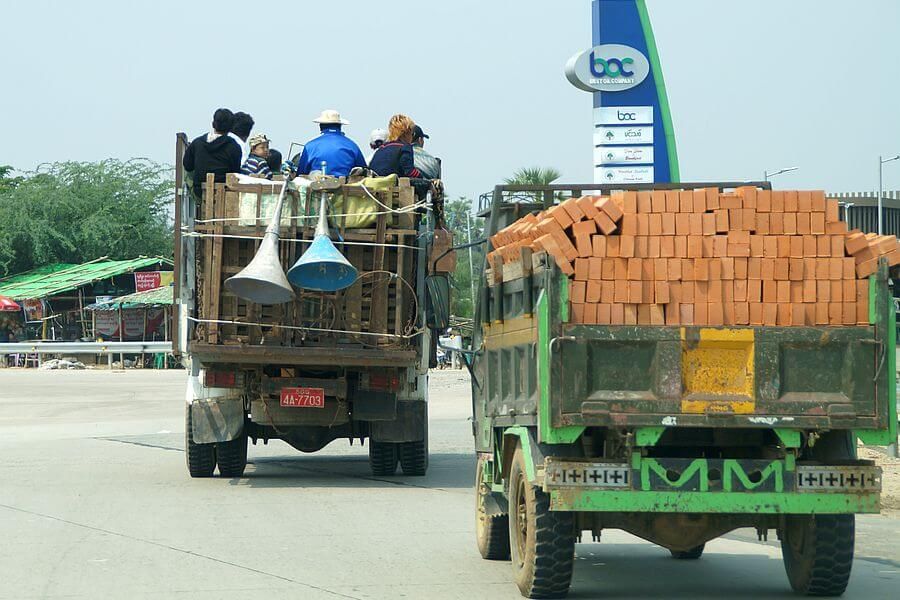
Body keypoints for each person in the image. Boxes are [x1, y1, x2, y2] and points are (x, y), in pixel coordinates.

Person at [182, 108, 242, 197]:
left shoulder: (197, 143)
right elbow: (235, 172)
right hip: (225, 192)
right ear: (231, 127)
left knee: (187, 173)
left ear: (213, 124)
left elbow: (187, 165)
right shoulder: (234, 146)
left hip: (201, 192)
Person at [295, 110, 367, 177]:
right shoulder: (352, 146)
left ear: (320, 126)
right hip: (347, 188)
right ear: (340, 126)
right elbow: (364, 171)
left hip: (316, 188)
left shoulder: (310, 146)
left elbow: (301, 174)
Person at [368, 114, 424, 179]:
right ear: (406, 133)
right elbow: (409, 172)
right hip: (391, 185)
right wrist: (421, 177)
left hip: (375, 184)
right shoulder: (405, 147)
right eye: (412, 133)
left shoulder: (382, 148)